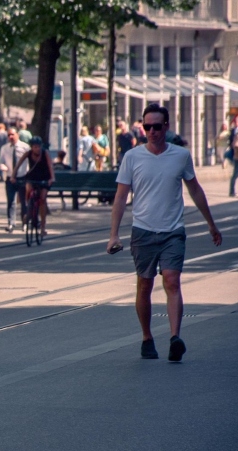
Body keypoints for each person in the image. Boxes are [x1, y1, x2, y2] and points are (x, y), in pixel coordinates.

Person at [107, 103, 222, 362]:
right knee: (144, 285)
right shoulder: (132, 157)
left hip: (172, 231)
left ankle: (174, 338)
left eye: (156, 127)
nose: (151, 132)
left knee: (171, 280)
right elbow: (121, 197)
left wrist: (211, 224)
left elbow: (195, 190)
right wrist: (114, 234)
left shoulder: (180, 156)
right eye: (146, 127)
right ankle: (147, 337)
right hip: (143, 232)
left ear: (166, 127)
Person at [14, 136, 54, 236]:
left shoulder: (45, 153)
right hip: (32, 176)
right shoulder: (28, 154)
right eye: (35, 147)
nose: (37, 149)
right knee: (29, 189)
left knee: (43, 199)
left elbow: (50, 166)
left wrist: (52, 178)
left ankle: (43, 227)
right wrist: (13, 176)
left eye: (39, 146)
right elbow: (18, 164)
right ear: (31, 147)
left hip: (44, 177)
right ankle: (28, 211)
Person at [0, 127, 29, 233]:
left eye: (12, 134)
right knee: (11, 201)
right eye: (9, 135)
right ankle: (11, 223)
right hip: (9, 177)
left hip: (22, 177)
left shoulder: (25, 147)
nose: (10, 137)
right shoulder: (5, 148)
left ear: (17, 135)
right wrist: (3, 167)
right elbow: (1, 161)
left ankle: (25, 223)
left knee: (23, 202)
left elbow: (30, 161)